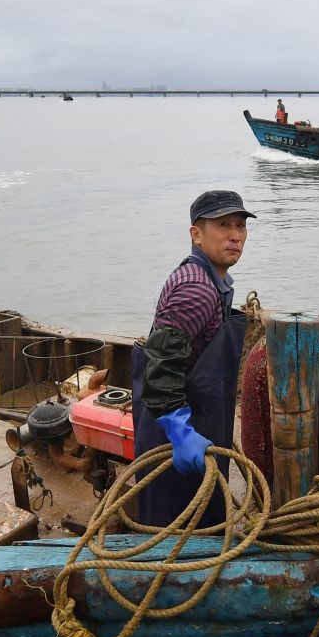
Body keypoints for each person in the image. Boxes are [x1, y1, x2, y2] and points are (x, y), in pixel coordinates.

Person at [130, 190, 254, 527]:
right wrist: (180, 432)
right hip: (175, 434)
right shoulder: (197, 291)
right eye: (224, 225)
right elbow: (161, 365)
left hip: (193, 421)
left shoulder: (207, 278)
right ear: (196, 234)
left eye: (241, 226)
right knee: (177, 530)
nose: (236, 235)